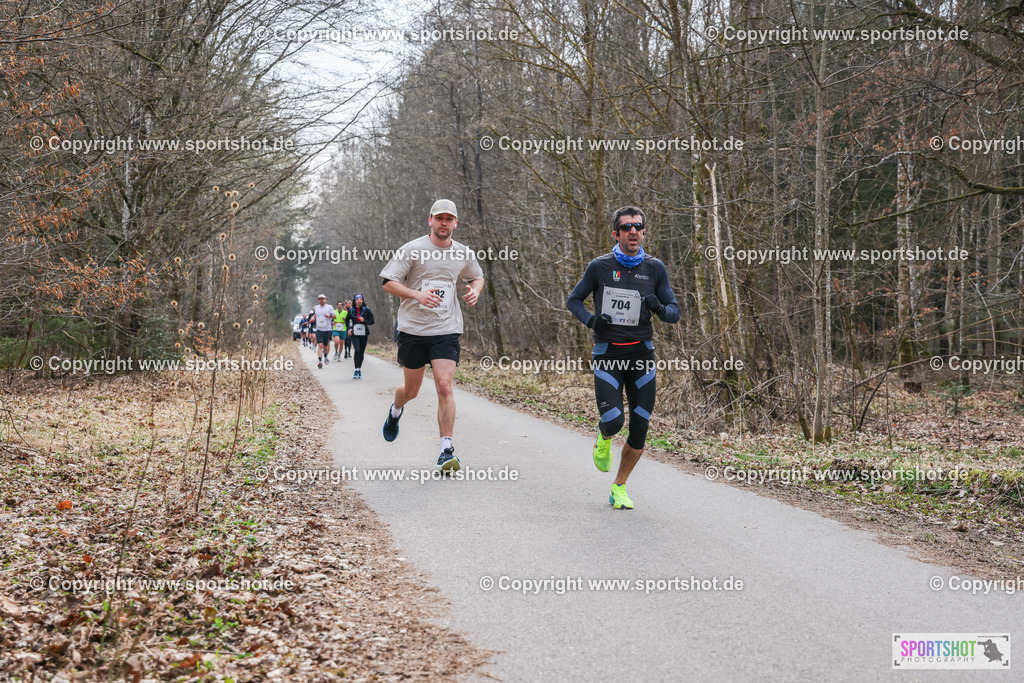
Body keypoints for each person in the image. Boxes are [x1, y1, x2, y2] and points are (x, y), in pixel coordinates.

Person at [566, 206, 679, 509]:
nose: (633, 231)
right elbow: (573, 300)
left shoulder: (655, 268)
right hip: (608, 354)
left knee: (640, 426)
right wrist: (592, 321)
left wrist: (658, 307)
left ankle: (619, 487)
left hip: (642, 354)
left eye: (638, 226)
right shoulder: (600, 266)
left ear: (644, 232)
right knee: (615, 421)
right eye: (626, 227)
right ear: (615, 233)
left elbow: (674, 313)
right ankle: (603, 437)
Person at [379, 199, 484, 472]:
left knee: (444, 385)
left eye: (449, 219)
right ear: (430, 221)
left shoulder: (462, 252)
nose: (444, 223)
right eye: (440, 218)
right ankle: (395, 411)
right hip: (413, 329)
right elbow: (388, 282)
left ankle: (446, 450)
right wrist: (417, 294)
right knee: (411, 391)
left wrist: (475, 290)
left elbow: (478, 276)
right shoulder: (413, 249)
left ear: (456, 223)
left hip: (446, 329)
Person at [348, 294, 374, 378]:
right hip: (354, 334)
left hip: (363, 333)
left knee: (362, 351)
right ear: (355, 301)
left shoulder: (367, 310)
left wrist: (364, 320)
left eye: (361, 299)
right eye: (357, 299)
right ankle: (356, 370)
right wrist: (349, 329)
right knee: (357, 350)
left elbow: (372, 321)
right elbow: (347, 321)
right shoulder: (351, 311)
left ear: (362, 301)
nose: (359, 301)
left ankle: (359, 369)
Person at [312, 294, 335, 369]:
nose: (321, 300)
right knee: (320, 345)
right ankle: (319, 361)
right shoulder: (316, 308)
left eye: (323, 299)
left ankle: (325, 356)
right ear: (318, 300)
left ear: (325, 300)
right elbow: (315, 316)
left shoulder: (329, 307)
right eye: (320, 299)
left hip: (328, 329)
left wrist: (330, 315)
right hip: (319, 329)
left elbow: (335, 316)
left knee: (326, 346)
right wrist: (312, 318)